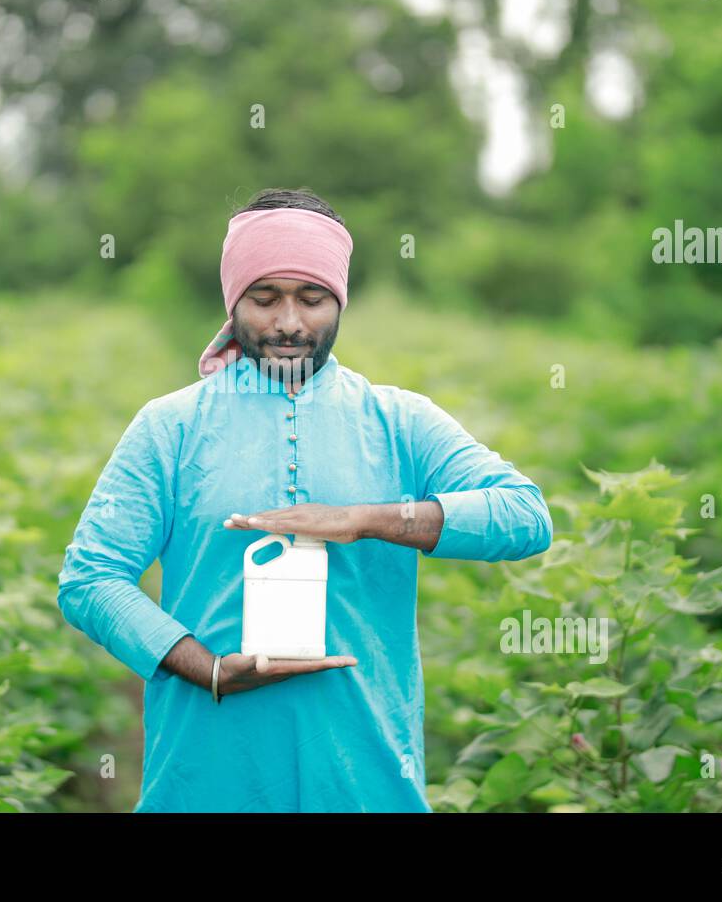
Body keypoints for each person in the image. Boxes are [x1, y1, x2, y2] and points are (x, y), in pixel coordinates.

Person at [57, 187, 552, 812]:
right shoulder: (171, 428)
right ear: (233, 301)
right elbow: (90, 578)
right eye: (264, 298)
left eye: (312, 298)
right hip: (207, 765)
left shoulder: (399, 421)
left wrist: (364, 518)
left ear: (339, 300)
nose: (289, 323)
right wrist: (202, 666)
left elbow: (524, 516)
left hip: (366, 767)